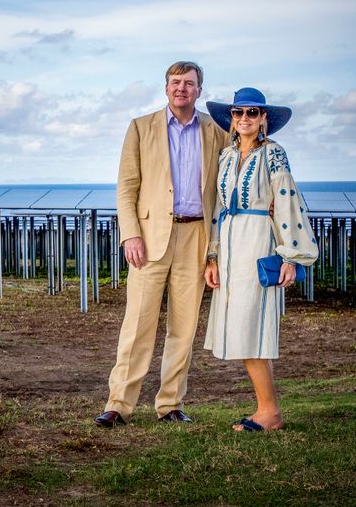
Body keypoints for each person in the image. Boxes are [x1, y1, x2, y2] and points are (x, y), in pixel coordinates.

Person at [95, 61, 229, 428]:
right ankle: (118, 405)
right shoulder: (140, 128)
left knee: (183, 328)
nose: (181, 88)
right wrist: (130, 234)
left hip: (196, 237)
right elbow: (126, 188)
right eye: (175, 82)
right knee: (138, 324)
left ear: (200, 90)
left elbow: (229, 179)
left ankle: (170, 404)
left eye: (189, 83)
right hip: (150, 240)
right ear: (165, 88)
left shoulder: (216, 131)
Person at [203, 87, 318, 432]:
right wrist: (212, 256)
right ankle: (266, 409)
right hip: (229, 245)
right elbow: (218, 208)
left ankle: (269, 412)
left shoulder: (274, 155)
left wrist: (290, 255)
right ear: (231, 118)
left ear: (264, 118)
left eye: (252, 113)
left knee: (251, 326)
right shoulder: (226, 156)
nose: (244, 119)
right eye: (238, 113)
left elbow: (287, 202)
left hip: (258, 243)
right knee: (243, 329)